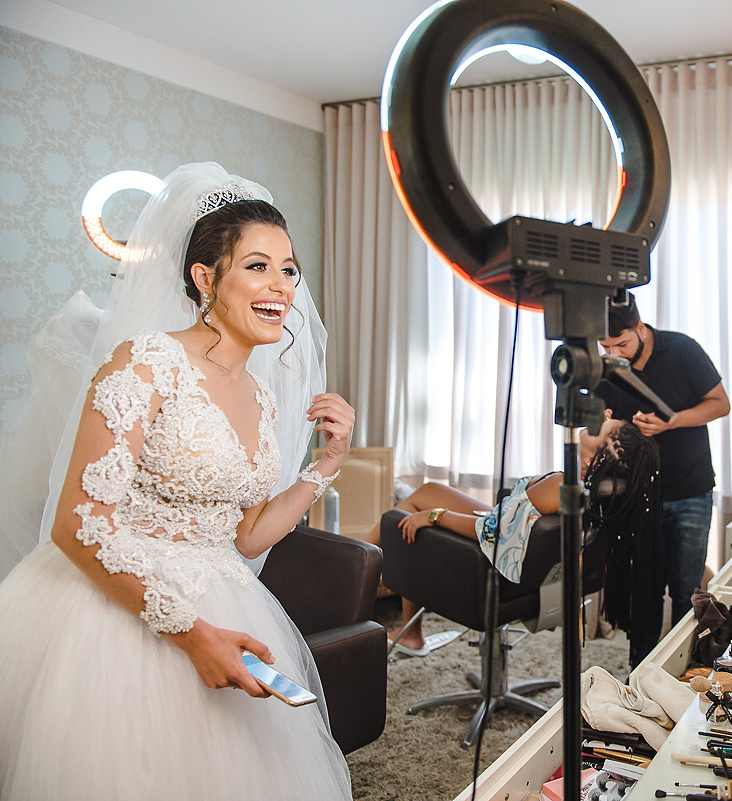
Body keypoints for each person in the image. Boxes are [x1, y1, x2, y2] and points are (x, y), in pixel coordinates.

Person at [0, 163, 356, 800]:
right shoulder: (146, 361)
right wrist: (194, 635)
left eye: (289, 268)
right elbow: (78, 524)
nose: (281, 285)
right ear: (205, 277)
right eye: (257, 266)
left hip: (224, 600)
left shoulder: (262, 397)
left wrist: (324, 467)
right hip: (110, 617)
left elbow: (247, 536)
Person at [368, 418, 661, 662]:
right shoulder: (600, 489)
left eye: (602, 427)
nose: (597, 420)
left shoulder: (562, 486)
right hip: (512, 535)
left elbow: (493, 533)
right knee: (426, 490)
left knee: (400, 518)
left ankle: (358, 582)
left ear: (590, 459)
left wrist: (437, 517)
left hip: (491, 557)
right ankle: (404, 624)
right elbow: (509, 522)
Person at [595, 293, 730, 666]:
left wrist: (671, 420)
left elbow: (720, 403)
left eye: (622, 343)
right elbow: (593, 430)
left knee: (687, 590)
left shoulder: (682, 350)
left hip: (690, 491)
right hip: (635, 494)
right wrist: (608, 425)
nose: (615, 353)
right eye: (606, 346)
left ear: (641, 328)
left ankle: (688, 669)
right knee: (644, 592)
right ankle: (641, 674)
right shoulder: (604, 364)